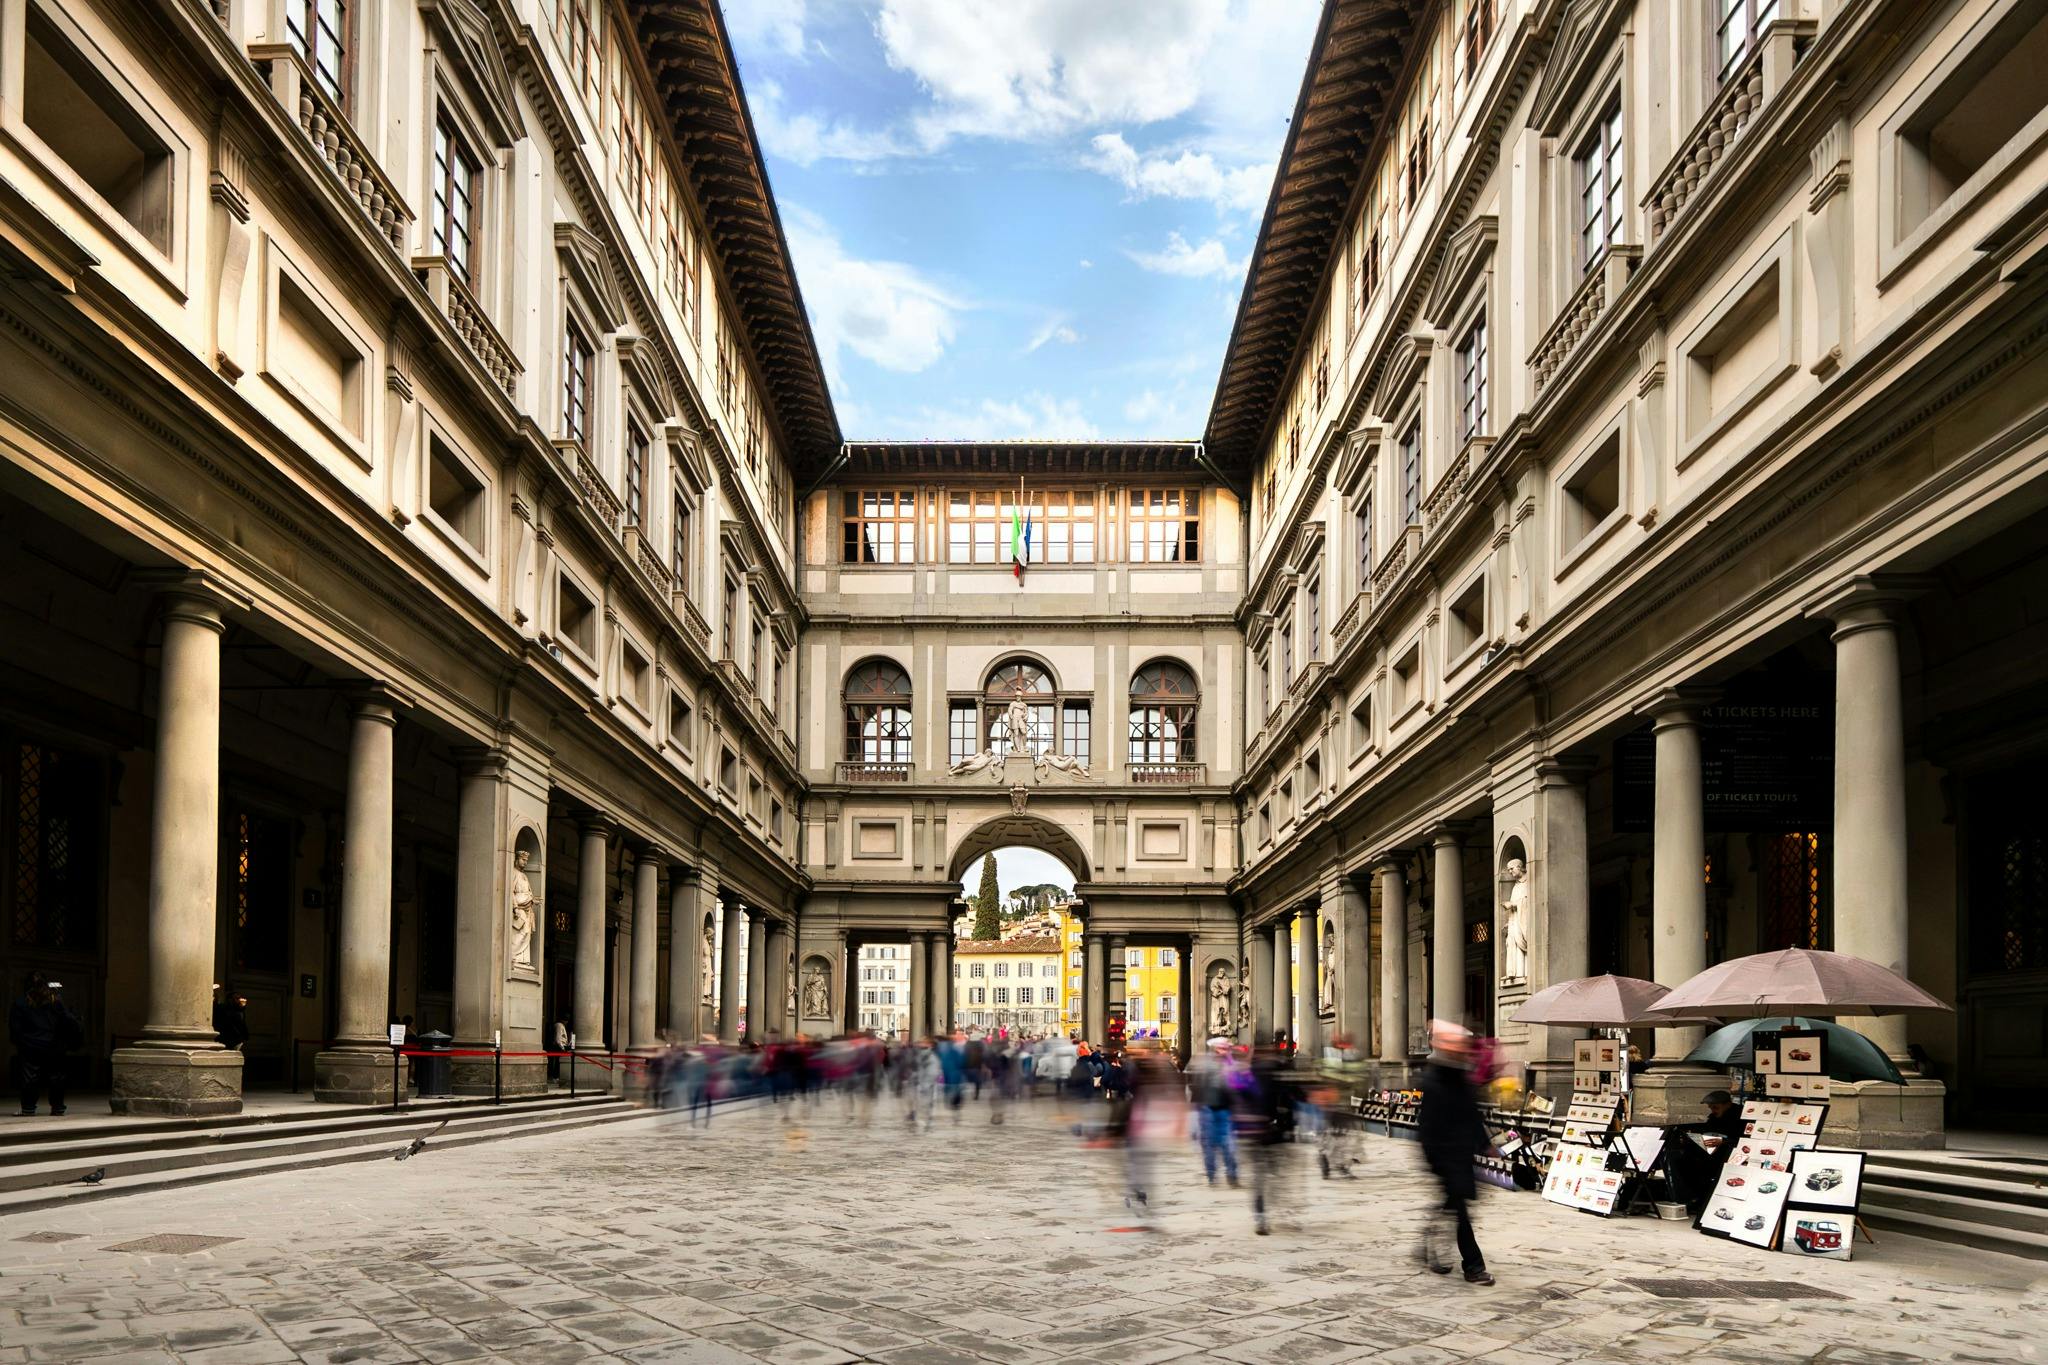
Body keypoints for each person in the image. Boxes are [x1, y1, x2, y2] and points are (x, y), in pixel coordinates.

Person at [1415, 1020, 1494, 1284]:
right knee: (1460, 1210)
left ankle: (1427, 1241)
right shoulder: (1433, 1079)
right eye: (1457, 1047)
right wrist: (1433, 1158)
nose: (1462, 1051)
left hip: (1460, 1154)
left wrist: (1485, 1144)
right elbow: (1427, 1125)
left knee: (1452, 1204)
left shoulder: (1461, 1075)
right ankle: (1473, 1266)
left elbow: (1470, 1114)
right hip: (1443, 1155)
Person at [1241, 1040, 1298, 1235]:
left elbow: (1238, 1099)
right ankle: (1282, 1211)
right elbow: (1293, 1097)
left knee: (1259, 1176)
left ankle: (1261, 1216)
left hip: (1255, 1130)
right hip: (1275, 1130)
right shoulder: (1279, 1071)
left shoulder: (1247, 1074)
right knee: (1278, 1174)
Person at [1666, 1088, 1746, 1215]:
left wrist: (1722, 1141)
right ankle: (1690, 1196)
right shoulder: (1714, 1117)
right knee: (1679, 1158)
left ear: (1727, 1104)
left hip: (1726, 1153)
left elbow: (1740, 1139)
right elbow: (1707, 1129)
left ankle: (1700, 1197)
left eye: (1716, 1108)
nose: (1713, 1111)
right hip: (1709, 1151)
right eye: (1711, 1108)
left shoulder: (1739, 1116)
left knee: (1700, 1165)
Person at [12, 974, 82, 1116]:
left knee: (30, 1077)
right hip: (54, 1045)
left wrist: (21, 1042)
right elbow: (68, 1020)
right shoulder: (55, 1001)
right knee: (56, 1077)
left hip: (30, 1045)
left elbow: (15, 1027)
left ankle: (28, 1108)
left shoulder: (21, 1002)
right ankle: (57, 1108)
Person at [1189, 1037, 1241, 1187]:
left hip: (1226, 1111)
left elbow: (1237, 1088)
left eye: (1227, 1048)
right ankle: (1212, 1176)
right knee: (1209, 1145)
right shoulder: (1206, 1065)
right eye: (1222, 1048)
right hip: (1208, 1110)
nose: (1225, 1051)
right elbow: (1197, 1087)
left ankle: (1232, 1176)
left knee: (1229, 1145)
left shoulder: (1231, 1065)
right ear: (1215, 1049)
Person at [212, 985, 249, 1052]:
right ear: (230, 1000)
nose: (239, 1000)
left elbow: (241, 1023)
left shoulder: (239, 1010)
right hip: (227, 1039)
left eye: (239, 998)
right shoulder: (223, 1008)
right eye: (236, 998)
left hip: (237, 1039)